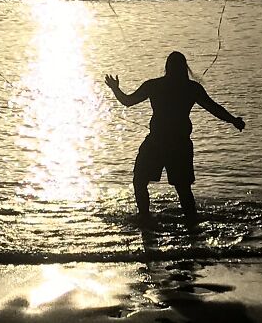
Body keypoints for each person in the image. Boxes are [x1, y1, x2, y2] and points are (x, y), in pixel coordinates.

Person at [105, 51, 245, 225]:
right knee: (183, 188)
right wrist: (233, 121)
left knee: (140, 181)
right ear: (184, 68)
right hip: (179, 144)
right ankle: (191, 224)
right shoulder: (192, 88)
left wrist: (115, 88)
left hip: (156, 142)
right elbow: (214, 108)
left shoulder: (154, 85)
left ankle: (144, 218)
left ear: (167, 67)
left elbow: (127, 101)